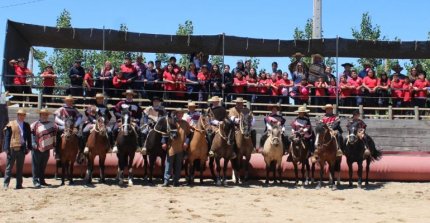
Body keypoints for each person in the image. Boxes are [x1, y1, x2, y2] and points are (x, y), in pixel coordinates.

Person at [3, 109, 32, 190]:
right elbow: (7, 137)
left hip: (22, 148)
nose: (22, 116)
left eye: (23, 115)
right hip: (12, 148)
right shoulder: (11, 124)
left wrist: (29, 147)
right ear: (17, 115)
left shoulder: (26, 125)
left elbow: (29, 137)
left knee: (20, 167)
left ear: (25, 116)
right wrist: (6, 148)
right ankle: (6, 184)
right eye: (20, 115)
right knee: (9, 167)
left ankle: (19, 185)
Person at [162, 108, 191, 187]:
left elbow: (189, 135)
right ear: (176, 114)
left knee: (178, 165)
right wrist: (164, 142)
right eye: (178, 113)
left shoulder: (186, 123)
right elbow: (165, 133)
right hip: (171, 146)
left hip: (181, 147)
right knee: (168, 164)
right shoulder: (171, 122)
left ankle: (176, 181)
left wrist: (186, 142)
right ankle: (166, 181)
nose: (180, 115)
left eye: (181, 113)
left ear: (182, 114)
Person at [30, 109, 57, 188]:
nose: (45, 116)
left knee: (43, 165)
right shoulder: (35, 125)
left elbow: (56, 133)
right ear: (40, 115)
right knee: (36, 165)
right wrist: (33, 143)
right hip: (37, 148)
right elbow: (32, 135)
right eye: (43, 114)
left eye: (46, 114)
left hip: (47, 148)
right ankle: (35, 181)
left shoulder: (52, 125)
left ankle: (42, 180)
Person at [54, 95, 83, 160]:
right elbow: (56, 118)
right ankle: (57, 152)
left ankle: (80, 152)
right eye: (68, 101)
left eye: (71, 101)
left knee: (80, 136)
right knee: (58, 136)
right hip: (63, 126)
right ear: (65, 101)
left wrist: (76, 124)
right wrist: (64, 124)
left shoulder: (74, 110)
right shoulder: (61, 109)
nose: (69, 102)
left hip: (72, 127)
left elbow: (80, 117)